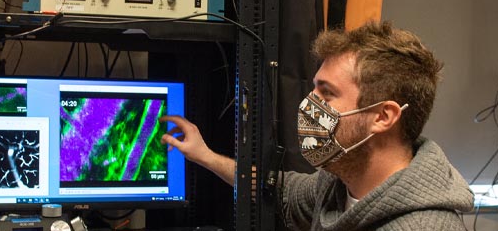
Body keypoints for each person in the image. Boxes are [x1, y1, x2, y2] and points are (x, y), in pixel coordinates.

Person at [161, 21, 473, 230]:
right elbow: (278, 190)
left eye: (327, 93)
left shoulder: (424, 226)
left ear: (383, 116)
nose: (309, 104)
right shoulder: (337, 189)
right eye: (314, 90)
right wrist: (204, 155)